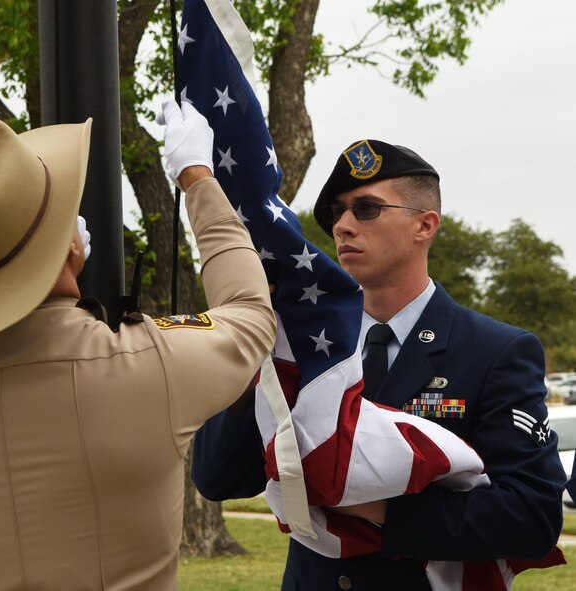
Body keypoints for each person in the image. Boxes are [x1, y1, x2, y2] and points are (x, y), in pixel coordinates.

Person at [0, 107, 276, 590]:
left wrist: (35, 267)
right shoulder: (148, 364)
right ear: (72, 246)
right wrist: (197, 178)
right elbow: (250, 311)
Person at [192, 139, 566, 590]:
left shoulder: (496, 351)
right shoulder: (302, 348)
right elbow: (217, 478)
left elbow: (530, 516)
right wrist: (256, 361)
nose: (343, 225)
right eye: (336, 213)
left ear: (424, 225)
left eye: (366, 209)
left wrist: (373, 512)